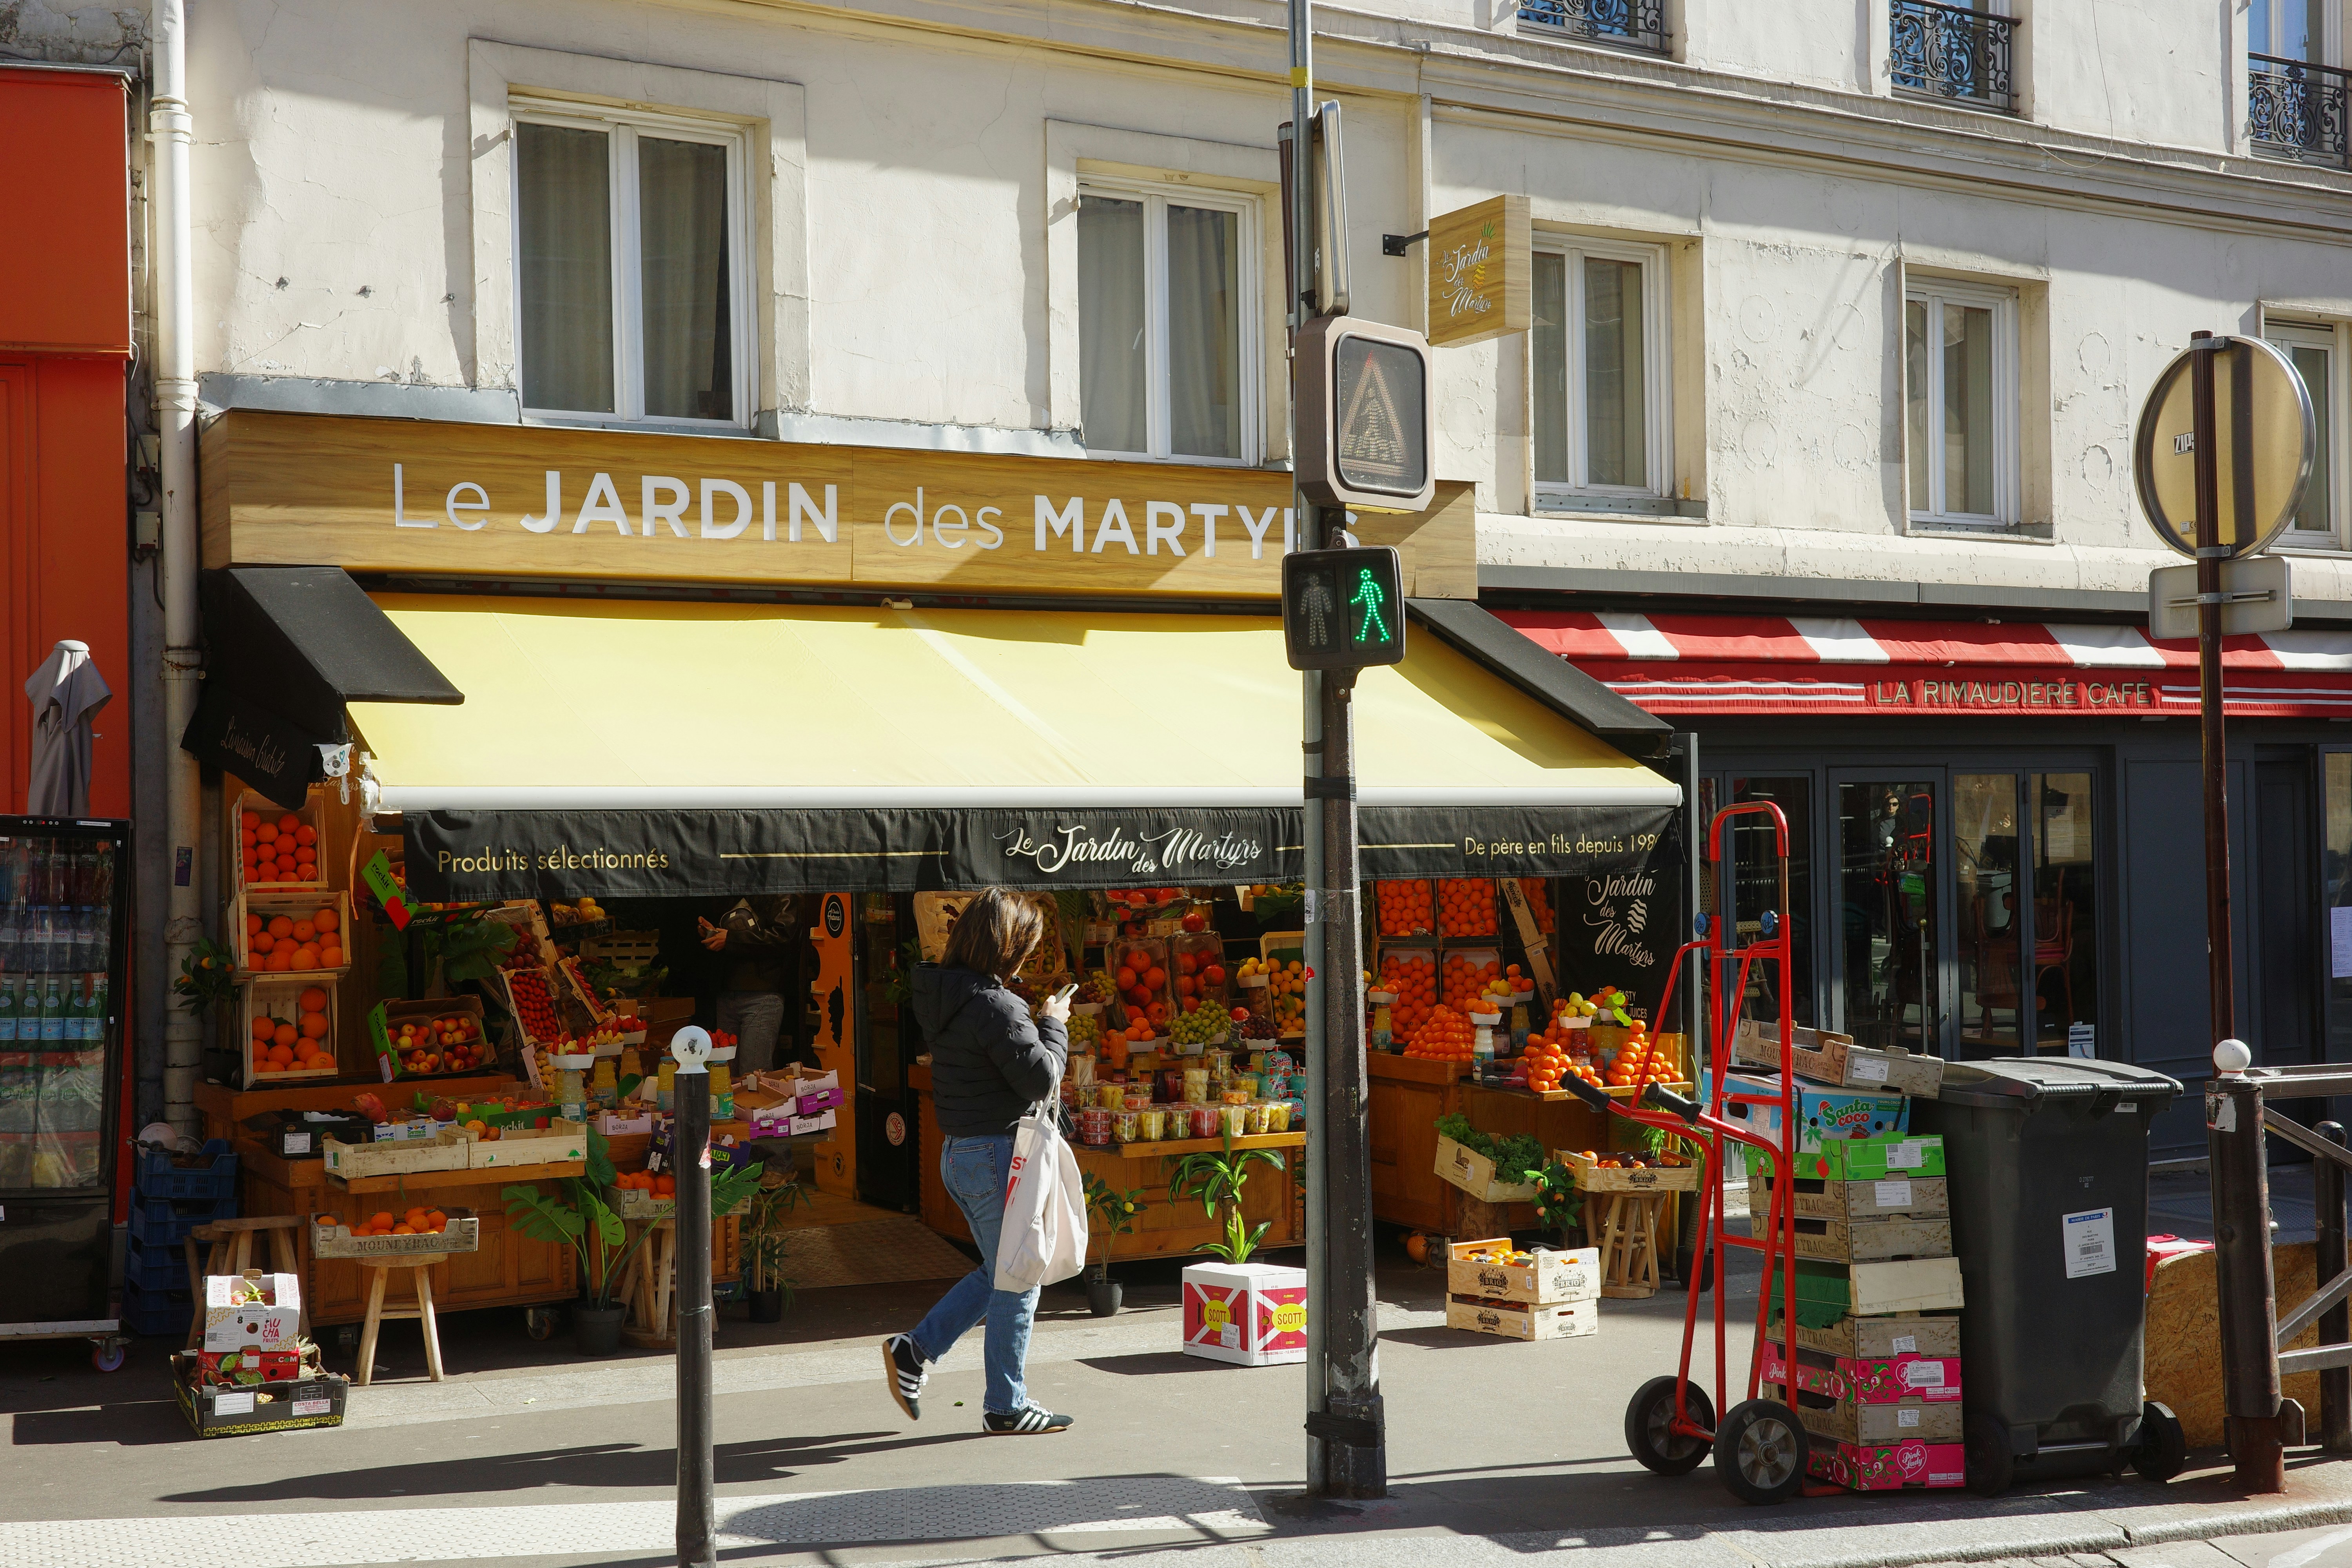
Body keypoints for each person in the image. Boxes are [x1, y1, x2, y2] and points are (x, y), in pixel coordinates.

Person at [882, 888, 1073, 1435]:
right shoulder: (996, 1004)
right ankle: (1005, 1406)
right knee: (1018, 1279)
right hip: (995, 1156)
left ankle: (914, 1352)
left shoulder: (949, 994)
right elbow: (1042, 1080)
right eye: (1025, 949)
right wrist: (1054, 1023)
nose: (1026, 960)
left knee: (1001, 1271)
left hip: (964, 1153)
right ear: (1007, 945)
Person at [697, 896, 800, 1076]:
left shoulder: (783, 887)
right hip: (727, 991)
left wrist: (731, 939)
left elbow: (783, 937)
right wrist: (713, 934)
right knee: (724, 1073)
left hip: (762, 992)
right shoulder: (735, 883)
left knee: (753, 1074)